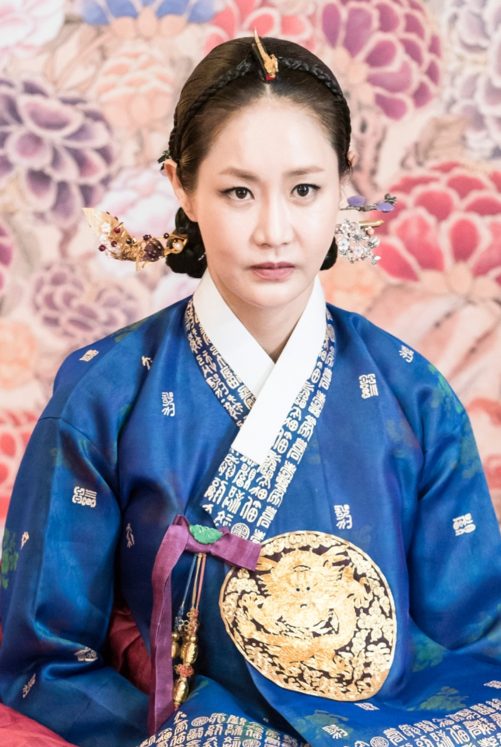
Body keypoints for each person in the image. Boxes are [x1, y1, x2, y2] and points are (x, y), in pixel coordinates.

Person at [0, 32, 500, 747]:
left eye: (304, 190)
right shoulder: (105, 393)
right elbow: (43, 661)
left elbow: (480, 637)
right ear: (181, 186)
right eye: (238, 192)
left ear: (342, 183)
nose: (274, 231)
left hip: (393, 725)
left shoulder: (410, 392)